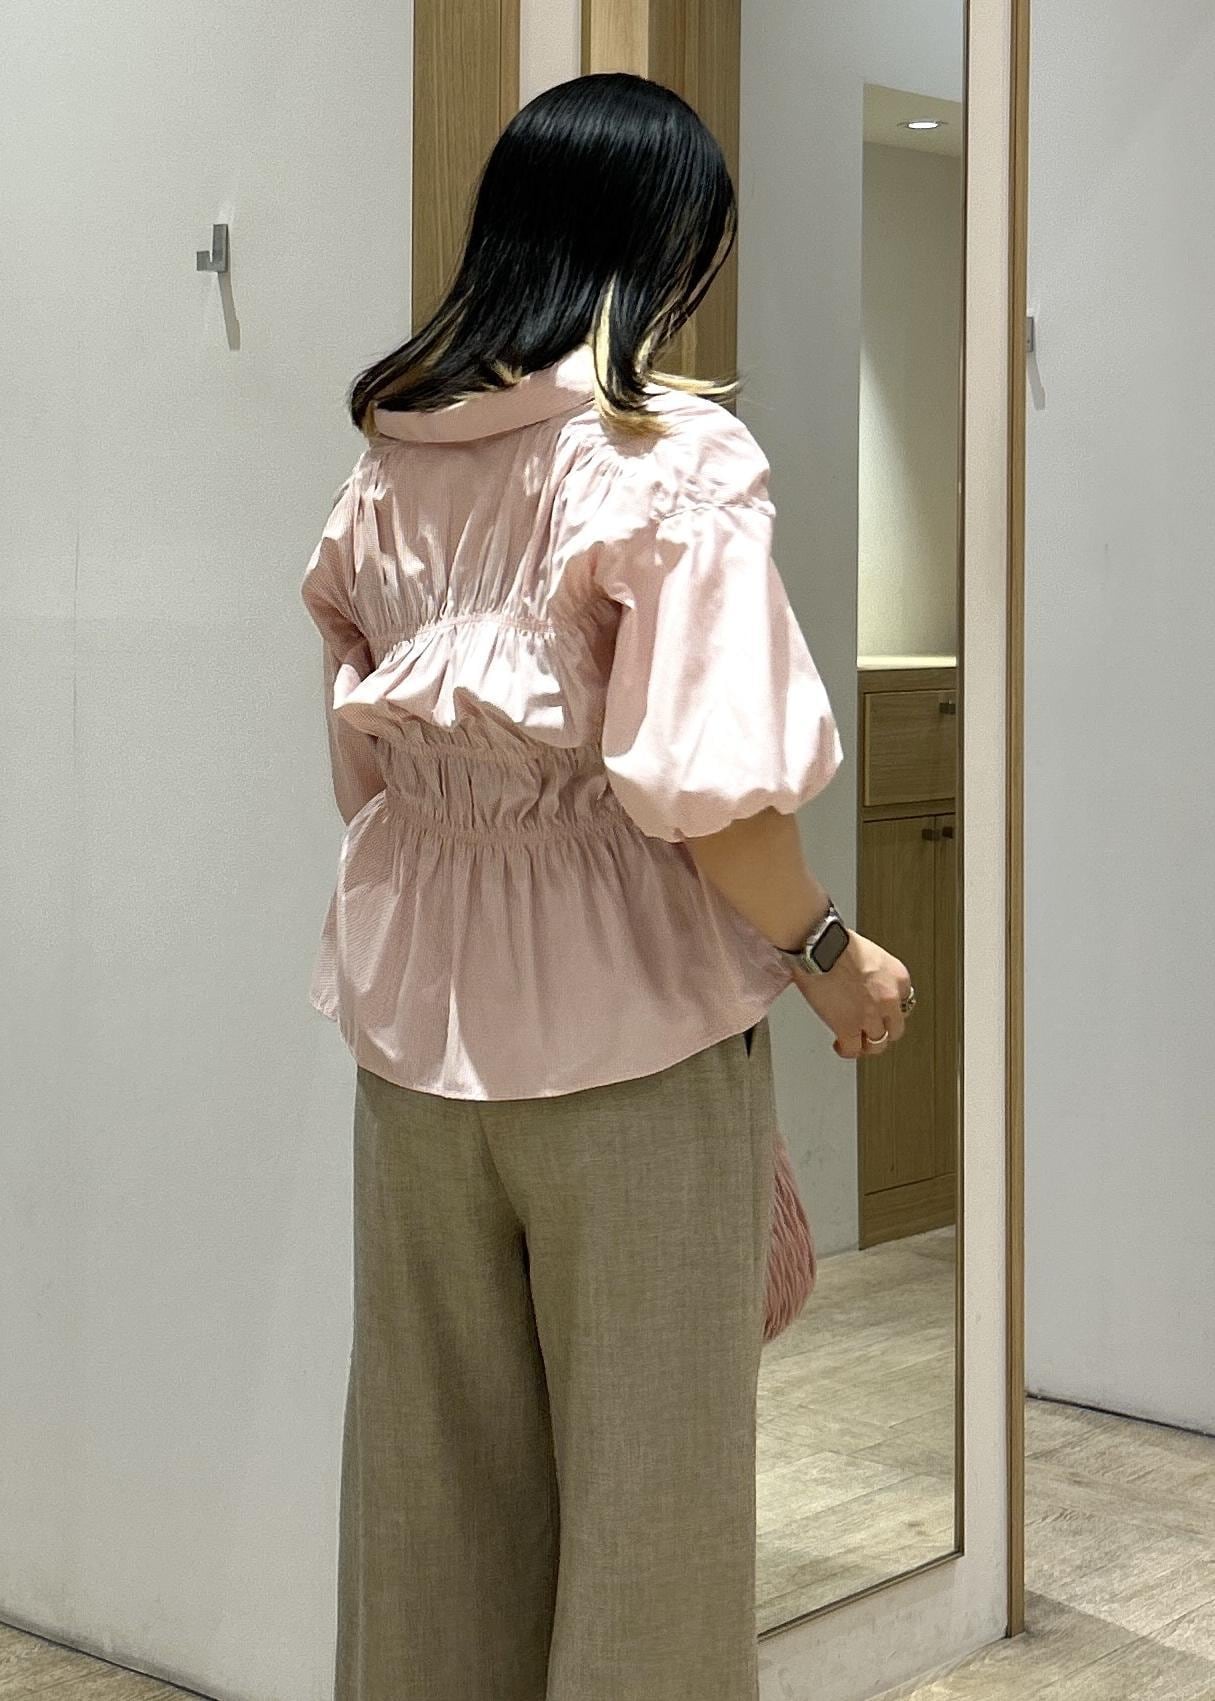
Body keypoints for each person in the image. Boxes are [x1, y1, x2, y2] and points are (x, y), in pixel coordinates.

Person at [301, 70, 912, 1701]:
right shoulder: (665, 455)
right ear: (665, 244)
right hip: (632, 1051)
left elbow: (366, 777)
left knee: (432, 1502)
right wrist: (834, 954)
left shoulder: (391, 463)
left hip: (416, 1050)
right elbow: (715, 794)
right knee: (654, 1518)